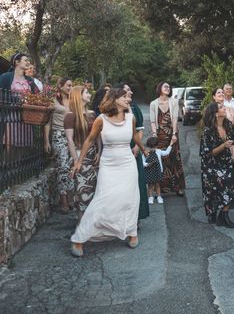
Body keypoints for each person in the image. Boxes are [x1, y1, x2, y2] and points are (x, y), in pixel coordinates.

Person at [70, 88, 149, 257]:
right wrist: (78, 161)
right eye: (124, 97)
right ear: (114, 99)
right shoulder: (101, 119)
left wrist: (143, 148)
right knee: (103, 200)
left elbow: (134, 136)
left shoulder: (130, 118)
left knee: (129, 199)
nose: (128, 99)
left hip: (127, 163)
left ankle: (131, 232)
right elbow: (90, 140)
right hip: (109, 163)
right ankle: (79, 238)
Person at [199, 102, 234, 227]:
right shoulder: (208, 131)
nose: (225, 108)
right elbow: (208, 153)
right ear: (216, 113)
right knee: (213, 190)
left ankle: (224, 216)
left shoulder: (228, 124)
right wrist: (224, 145)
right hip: (211, 164)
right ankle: (212, 213)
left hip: (226, 161)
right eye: (222, 108)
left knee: (230, 186)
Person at [64, 86, 99, 220]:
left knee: (94, 190)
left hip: (93, 155)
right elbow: (70, 140)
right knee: (81, 190)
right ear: (79, 96)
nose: (89, 94)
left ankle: (91, 223)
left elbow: (98, 136)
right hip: (78, 155)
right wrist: (76, 161)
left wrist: (99, 152)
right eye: (86, 92)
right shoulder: (70, 116)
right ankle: (81, 223)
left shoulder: (92, 114)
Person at [116, 82, 149, 220]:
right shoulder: (114, 110)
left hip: (134, 147)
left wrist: (137, 146)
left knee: (137, 181)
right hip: (120, 149)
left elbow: (140, 130)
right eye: (127, 90)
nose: (131, 92)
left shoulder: (135, 108)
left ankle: (137, 216)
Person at [0, 53, 39, 148]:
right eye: (26, 60)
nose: (28, 62)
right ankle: (6, 162)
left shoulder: (30, 80)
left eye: (28, 60)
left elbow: (38, 95)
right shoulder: (5, 77)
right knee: (10, 146)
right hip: (11, 117)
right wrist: (18, 99)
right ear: (17, 62)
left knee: (24, 148)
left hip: (26, 118)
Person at [149, 81, 185, 196]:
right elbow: (153, 121)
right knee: (161, 159)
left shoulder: (173, 102)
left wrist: (174, 133)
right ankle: (162, 188)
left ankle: (178, 187)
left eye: (169, 87)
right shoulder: (153, 103)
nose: (168, 88)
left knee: (175, 159)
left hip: (171, 134)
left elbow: (175, 118)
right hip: (159, 135)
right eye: (165, 86)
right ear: (159, 88)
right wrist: (154, 134)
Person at [45, 77, 74, 212]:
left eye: (71, 86)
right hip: (58, 135)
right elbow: (47, 121)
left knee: (71, 166)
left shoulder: (73, 100)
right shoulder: (54, 100)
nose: (70, 88)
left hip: (72, 136)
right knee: (62, 166)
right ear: (61, 86)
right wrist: (46, 140)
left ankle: (70, 196)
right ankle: (63, 200)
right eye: (68, 85)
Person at [143, 136, 175, 205]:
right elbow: (143, 161)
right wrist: (146, 164)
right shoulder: (146, 153)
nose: (152, 149)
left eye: (154, 147)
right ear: (148, 146)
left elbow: (166, 153)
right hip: (149, 171)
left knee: (157, 185)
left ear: (156, 146)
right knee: (150, 185)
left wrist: (171, 144)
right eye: (150, 147)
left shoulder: (159, 151)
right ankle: (150, 197)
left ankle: (159, 196)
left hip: (157, 171)